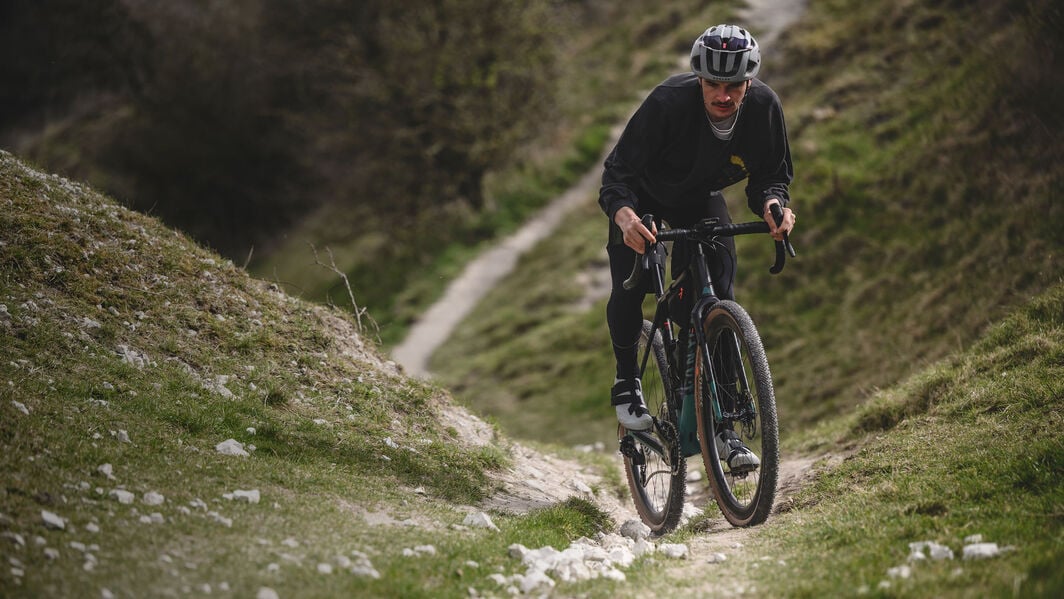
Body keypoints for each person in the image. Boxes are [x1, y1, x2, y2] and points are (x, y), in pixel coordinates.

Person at [599, 24, 796, 468]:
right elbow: (617, 175)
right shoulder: (668, 103)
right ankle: (627, 379)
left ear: (750, 83)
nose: (722, 95)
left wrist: (773, 204)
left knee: (719, 293)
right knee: (631, 284)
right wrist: (625, 216)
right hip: (642, 198)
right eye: (712, 84)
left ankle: (723, 428)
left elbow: (771, 175)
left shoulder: (763, 107)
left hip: (698, 199)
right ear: (699, 79)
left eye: (734, 86)